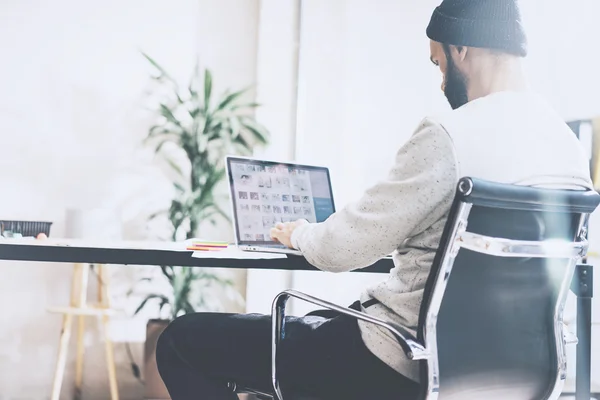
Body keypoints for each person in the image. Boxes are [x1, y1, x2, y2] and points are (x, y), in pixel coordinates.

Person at [156, 1, 593, 399]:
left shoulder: (451, 135)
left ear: (461, 48)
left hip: (399, 363)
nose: (442, 82)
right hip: (515, 372)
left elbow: (340, 248)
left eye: (438, 63)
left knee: (181, 341)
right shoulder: (567, 148)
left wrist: (301, 233)